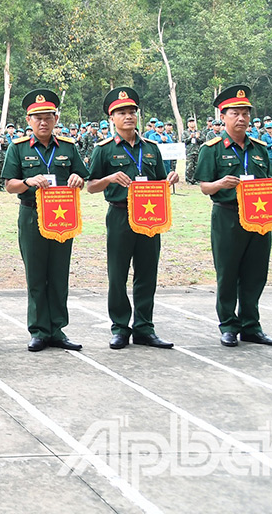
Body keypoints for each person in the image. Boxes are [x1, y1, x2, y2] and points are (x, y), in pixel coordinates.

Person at [195, 85, 272, 347]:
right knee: (227, 273)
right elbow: (204, 186)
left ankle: (251, 325)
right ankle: (228, 325)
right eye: (235, 113)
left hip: (260, 217)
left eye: (245, 114)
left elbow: (267, 181)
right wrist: (219, 185)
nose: (241, 118)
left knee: (256, 272)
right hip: (228, 217)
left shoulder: (259, 148)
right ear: (223, 116)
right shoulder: (212, 148)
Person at [85, 89, 180, 350]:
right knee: (118, 273)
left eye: (131, 112)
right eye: (121, 113)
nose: (128, 116)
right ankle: (119, 327)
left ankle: (144, 327)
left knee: (147, 272)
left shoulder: (151, 148)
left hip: (150, 215)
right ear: (111, 118)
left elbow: (160, 178)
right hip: (120, 214)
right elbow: (91, 185)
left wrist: (170, 180)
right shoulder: (103, 150)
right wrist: (109, 179)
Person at [1, 88, 89, 352]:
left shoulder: (69, 147)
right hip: (32, 214)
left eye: (48, 117)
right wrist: (27, 181)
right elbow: (9, 184)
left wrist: (77, 180)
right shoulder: (17, 149)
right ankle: (39, 330)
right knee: (37, 274)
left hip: (63, 216)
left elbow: (82, 177)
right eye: (37, 117)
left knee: (59, 273)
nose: (43, 122)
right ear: (28, 120)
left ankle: (58, 329)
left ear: (56, 118)